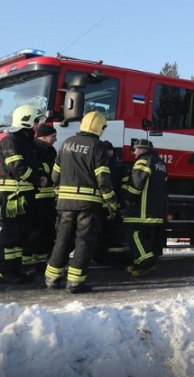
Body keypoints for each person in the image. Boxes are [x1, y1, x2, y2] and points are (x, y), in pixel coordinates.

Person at [44, 111, 119, 294]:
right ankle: (76, 282)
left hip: (65, 203)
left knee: (62, 238)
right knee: (83, 241)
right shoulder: (98, 146)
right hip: (88, 205)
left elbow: (55, 174)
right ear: (99, 127)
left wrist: (58, 194)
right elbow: (102, 178)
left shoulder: (66, 143)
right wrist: (112, 203)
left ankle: (52, 278)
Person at [0, 106, 47, 284]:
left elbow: (33, 164)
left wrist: (41, 175)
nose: (38, 125)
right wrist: (36, 179)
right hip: (13, 196)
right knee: (11, 235)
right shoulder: (10, 141)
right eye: (36, 121)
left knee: (21, 234)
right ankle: (6, 272)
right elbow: (17, 168)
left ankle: (15, 270)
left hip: (26, 195)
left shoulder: (26, 142)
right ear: (26, 120)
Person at [123, 139, 168, 277]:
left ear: (142, 150)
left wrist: (126, 198)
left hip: (141, 210)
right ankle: (140, 261)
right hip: (156, 210)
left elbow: (136, 186)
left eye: (135, 149)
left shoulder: (143, 161)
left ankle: (147, 262)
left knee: (134, 235)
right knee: (147, 239)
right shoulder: (161, 163)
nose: (134, 152)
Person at [25, 123, 58, 274]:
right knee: (35, 231)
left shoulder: (51, 150)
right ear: (43, 137)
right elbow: (39, 168)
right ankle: (29, 263)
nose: (55, 139)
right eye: (53, 136)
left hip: (49, 197)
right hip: (37, 197)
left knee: (48, 231)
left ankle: (42, 262)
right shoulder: (33, 148)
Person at [93, 140, 131, 267]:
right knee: (101, 233)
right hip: (102, 205)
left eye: (108, 150)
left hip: (110, 205)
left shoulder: (118, 166)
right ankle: (102, 257)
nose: (107, 153)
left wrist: (119, 198)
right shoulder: (99, 165)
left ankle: (114, 259)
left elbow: (125, 184)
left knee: (114, 234)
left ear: (112, 151)